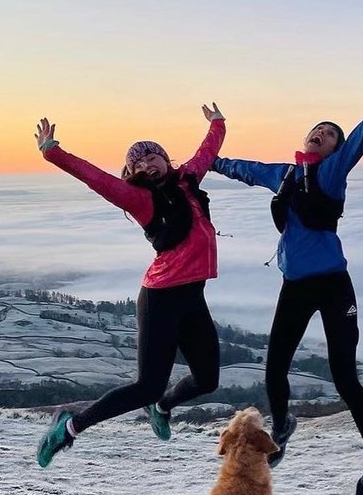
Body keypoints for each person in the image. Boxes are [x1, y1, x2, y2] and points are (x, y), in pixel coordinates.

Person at [210, 53, 363, 495]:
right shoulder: (283, 174)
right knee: (273, 369)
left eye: (329, 134)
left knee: (345, 376)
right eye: (317, 129)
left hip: (332, 284)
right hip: (295, 285)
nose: (321, 133)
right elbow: (239, 168)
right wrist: (200, 160)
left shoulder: (332, 170)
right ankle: (284, 424)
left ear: (333, 149)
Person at [33, 103, 226, 467]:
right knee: (146, 385)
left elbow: (207, 151)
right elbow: (96, 178)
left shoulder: (187, 181)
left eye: (153, 157)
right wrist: (53, 153)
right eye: (138, 163)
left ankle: (162, 407)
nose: (147, 165)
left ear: (166, 161)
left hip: (192, 297)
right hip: (161, 299)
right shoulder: (138, 198)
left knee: (207, 379)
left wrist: (217, 123)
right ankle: (69, 427)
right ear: (133, 172)